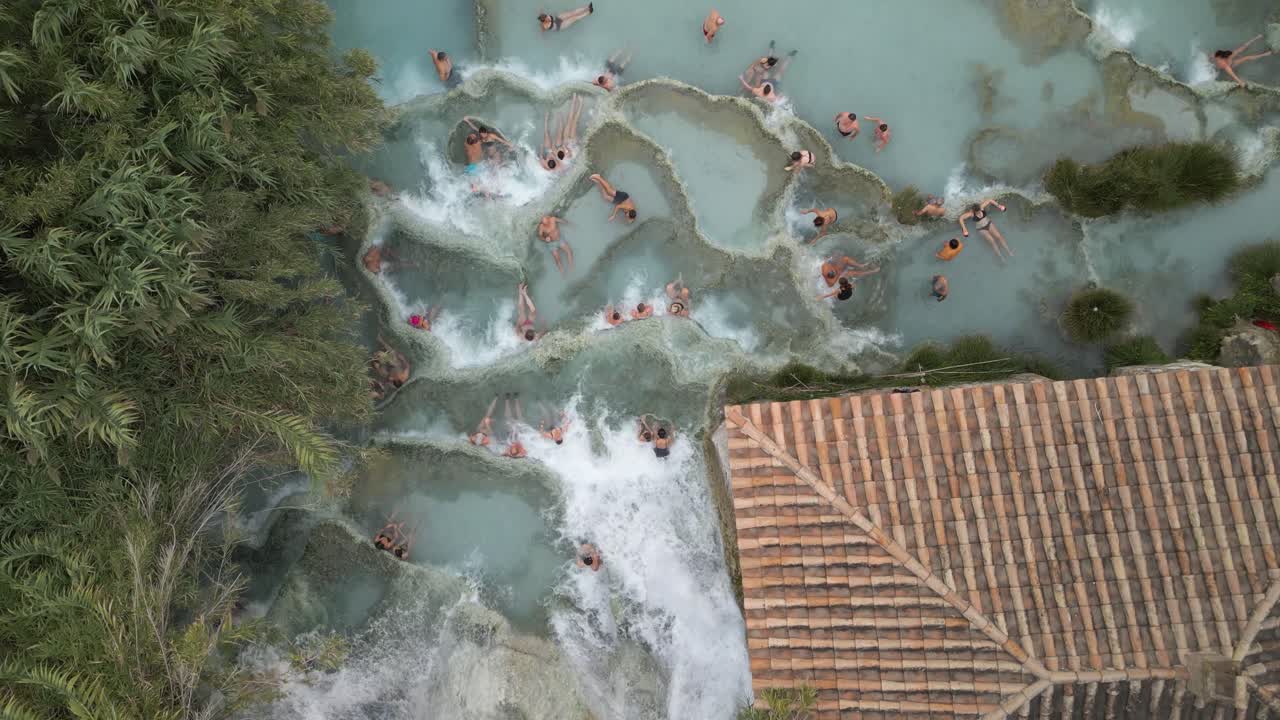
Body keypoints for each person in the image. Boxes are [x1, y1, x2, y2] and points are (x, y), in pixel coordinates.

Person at [503, 394, 527, 458]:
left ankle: (507, 400)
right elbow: (524, 453)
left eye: (512, 451)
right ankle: (516, 399)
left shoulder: (509, 446)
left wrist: (510, 455)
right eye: (515, 451)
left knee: (508, 417)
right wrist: (516, 456)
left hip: (511, 431)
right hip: (518, 430)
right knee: (519, 417)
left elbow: (505, 453)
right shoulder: (520, 448)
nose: (514, 449)